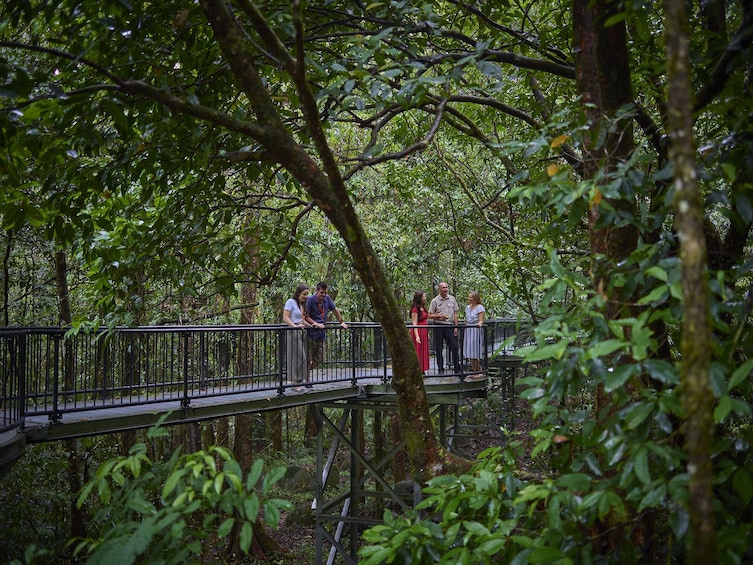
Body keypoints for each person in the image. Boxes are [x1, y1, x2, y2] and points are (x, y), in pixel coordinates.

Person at [305, 281, 348, 386]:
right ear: (316, 291)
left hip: (321, 334)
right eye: (321, 293)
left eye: (325, 293)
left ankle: (303, 372)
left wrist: (341, 321)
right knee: (309, 359)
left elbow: (334, 309)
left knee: (320, 359)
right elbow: (306, 316)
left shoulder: (327, 299)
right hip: (311, 334)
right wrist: (315, 324)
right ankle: (307, 379)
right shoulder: (310, 300)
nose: (323, 295)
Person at [428, 282, 459, 374]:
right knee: (439, 348)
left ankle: (457, 369)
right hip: (438, 326)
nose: (445, 289)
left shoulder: (452, 299)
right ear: (439, 289)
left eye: (446, 287)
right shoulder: (435, 301)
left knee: (454, 347)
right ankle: (440, 369)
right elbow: (430, 315)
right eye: (443, 288)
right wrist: (437, 316)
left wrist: (456, 327)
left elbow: (455, 313)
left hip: (450, 326)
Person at [283, 283, 310, 386]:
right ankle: (295, 382)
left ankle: (297, 382)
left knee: (301, 358)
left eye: (307, 294)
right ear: (298, 293)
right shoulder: (290, 302)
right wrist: (294, 327)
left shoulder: (300, 305)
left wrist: (311, 325)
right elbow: (285, 317)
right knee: (298, 357)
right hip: (293, 331)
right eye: (304, 294)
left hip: (300, 331)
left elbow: (301, 320)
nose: (305, 296)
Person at [464, 291, 486, 376]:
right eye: (469, 297)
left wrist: (479, 324)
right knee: (469, 351)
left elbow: (480, 320)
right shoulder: (467, 307)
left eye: (471, 297)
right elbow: (467, 320)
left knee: (474, 351)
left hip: (475, 330)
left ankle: (479, 371)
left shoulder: (480, 307)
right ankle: (474, 371)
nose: (469, 299)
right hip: (468, 330)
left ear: (475, 298)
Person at [410, 291, 430, 373]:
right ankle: (417, 369)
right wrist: (417, 336)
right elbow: (414, 323)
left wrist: (427, 333)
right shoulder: (415, 309)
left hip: (424, 331)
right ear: (420, 298)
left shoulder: (423, 307)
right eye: (424, 296)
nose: (425, 298)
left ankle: (422, 369)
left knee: (423, 350)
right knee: (418, 350)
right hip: (418, 331)